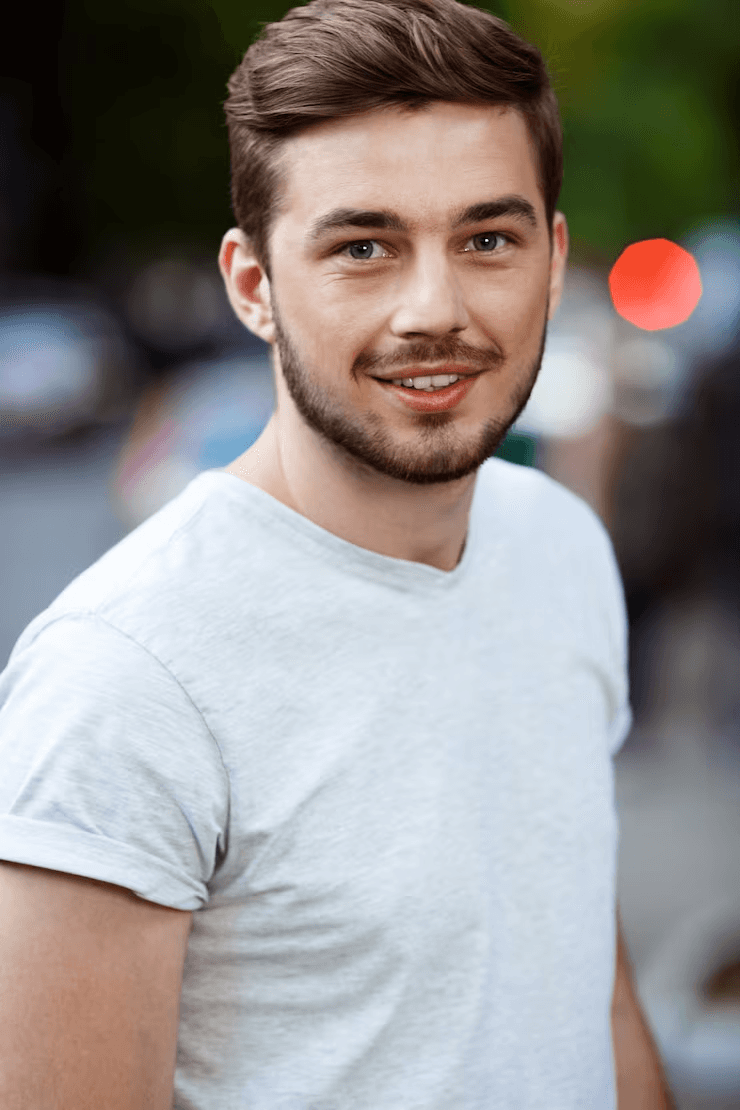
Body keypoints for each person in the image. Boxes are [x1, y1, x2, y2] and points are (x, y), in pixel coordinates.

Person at [0, 1, 674, 1107]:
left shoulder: (560, 546)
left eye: (485, 240)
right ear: (253, 285)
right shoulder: (123, 679)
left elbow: (582, 985)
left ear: (550, 261)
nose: (433, 308)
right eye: (362, 247)